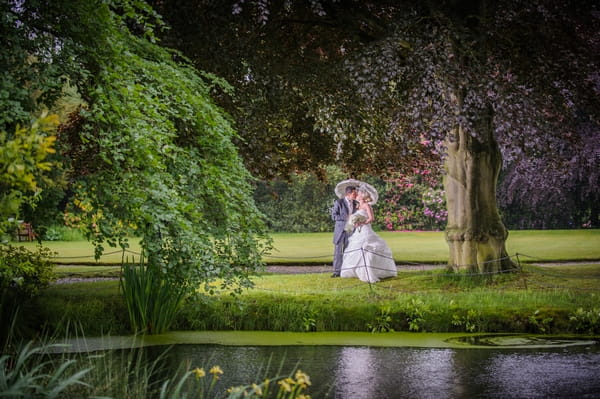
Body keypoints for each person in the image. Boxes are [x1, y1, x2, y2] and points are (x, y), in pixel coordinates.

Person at [340, 183, 397, 283]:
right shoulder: (358, 206)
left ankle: (369, 272)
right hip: (358, 231)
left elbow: (371, 218)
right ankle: (357, 271)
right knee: (356, 249)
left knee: (367, 249)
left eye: (358, 194)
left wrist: (362, 222)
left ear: (363, 196)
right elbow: (354, 219)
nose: (356, 195)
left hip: (366, 230)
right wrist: (355, 222)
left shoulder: (367, 206)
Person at [331, 181, 359, 277]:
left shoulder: (356, 203)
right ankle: (336, 272)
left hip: (350, 230)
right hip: (340, 231)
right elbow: (334, 216)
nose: (356, 195)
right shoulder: (339, 202)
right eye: (354, 193)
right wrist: (346, 217)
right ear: (348, 193)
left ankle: (346, 271)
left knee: (349, 251)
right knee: (338, 252)